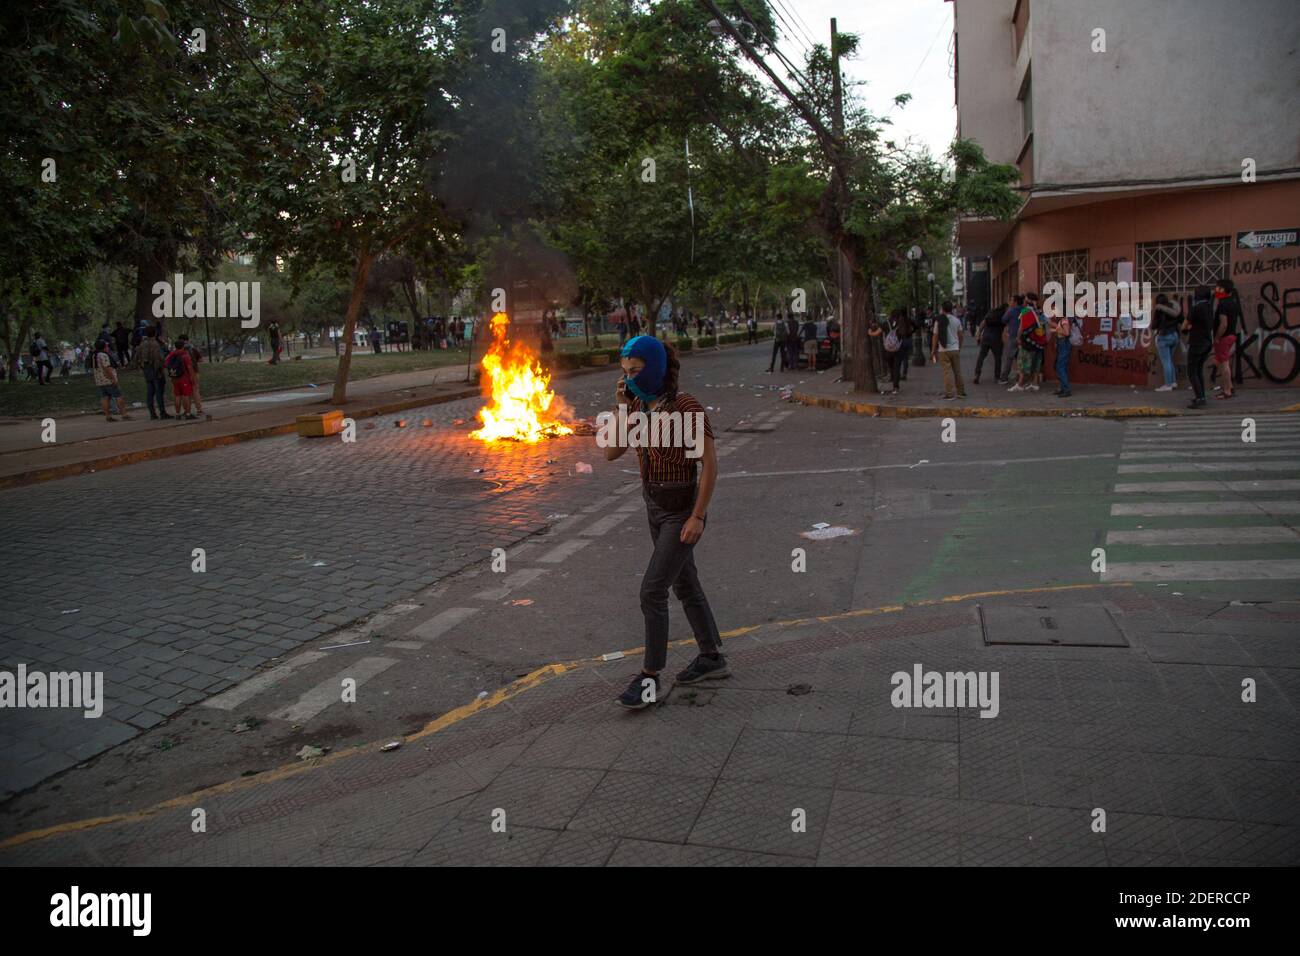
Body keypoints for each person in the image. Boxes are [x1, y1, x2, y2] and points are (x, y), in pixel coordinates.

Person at [604, 335, 726, 709]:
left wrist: (698, 516)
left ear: (655, 368)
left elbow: (710, 464)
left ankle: (650, 677)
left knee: (652, 591)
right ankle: (711, 657)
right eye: (625, 373)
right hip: (653, 507)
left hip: (680, 510)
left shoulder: (685, 406)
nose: (630, 379)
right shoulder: (638, 405)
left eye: (636, 371)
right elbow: (610, 452)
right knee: (685, 584)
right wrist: (623, 408)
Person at [1008, 293, 1046, 391]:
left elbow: (1021, 327)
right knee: (1036, 362)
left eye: (1025, 299)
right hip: (1039, 341)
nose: (1023, 301)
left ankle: (1020, 384)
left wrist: (1018, 337)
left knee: (1022, 362)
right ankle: (1035, 383)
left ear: (1027, 300)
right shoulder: (1039, 311)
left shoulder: (1025, 311)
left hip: (1028, 341)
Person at [1185, 285, 1215, 409]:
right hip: (1207, 342)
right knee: (1198, 370)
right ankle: (1201, 396)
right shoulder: (1209, 307)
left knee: (1192, 371)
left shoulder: (1197, 308)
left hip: (1197, 343)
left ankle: (1200, 397)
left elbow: (1187, 323)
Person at [1212, 277, 1241, 399]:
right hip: (1231, 335)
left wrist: (1217, 337)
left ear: (1223, 289)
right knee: (1220, 362)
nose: (1216, 290)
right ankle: (1229, 387)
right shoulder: (1233, 302)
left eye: (1218, 288)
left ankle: (1227, 391)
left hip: (1224, 337)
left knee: (1224, 364)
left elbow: (1223, 324)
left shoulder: (1223, 304)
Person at [930, 301, 966, 399]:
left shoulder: (939, 320)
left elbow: (935, 335)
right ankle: (961, 392)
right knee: (957, 371)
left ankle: (949, 393)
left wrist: (933, 349)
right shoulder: (957, 320)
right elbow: (961, 335)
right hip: (955, 348)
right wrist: (959, 346)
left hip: (943, 349)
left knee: (947, 372)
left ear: (942, 309)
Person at [136, 326, 172, 420]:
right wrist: (160, 370)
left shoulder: (142, 344)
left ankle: (152, 413)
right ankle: (162, 412)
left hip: (147, 369)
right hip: (155, 369)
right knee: (159, 392)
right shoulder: (155, 344)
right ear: (155, 333)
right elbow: (158, 359)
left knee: (150, 392)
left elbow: (138, 357)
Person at [92, 339, 132, 421]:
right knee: (118, 396)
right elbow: (107, 368)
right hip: (108, 380)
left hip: (100, 380)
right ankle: (124, 414)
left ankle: (108, 416)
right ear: (104, 347)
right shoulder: (103, 355)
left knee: (105, 398)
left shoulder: (94, 356)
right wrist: (113, 378)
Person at [869, 309, 906, 394]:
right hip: (898, 349)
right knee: (897, 367)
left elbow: (877, 333)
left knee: (891, 366)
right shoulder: (901, 324)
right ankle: (895, 386)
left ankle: (893, 378)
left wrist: (870, 332)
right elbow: (905, 334)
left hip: (888, 350)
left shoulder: (886, 323)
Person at [1152, 293, 1182, 391]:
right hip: (1174, 336)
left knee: (1166, 361)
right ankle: (1173, 382)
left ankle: (1168, 384)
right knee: (1170, 360)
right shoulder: (1174, 308)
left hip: (1164, 336)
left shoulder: (1159, 310)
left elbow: (1154, 324)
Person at [164, 335, 198, 419]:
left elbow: (165, 364)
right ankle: (188, 413)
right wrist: (193, 379)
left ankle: (177, 414)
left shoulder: (171, 355)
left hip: (174, 378)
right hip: (184, 378)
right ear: (183, 346)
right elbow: (190, 368)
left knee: (177, 396)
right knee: (186, 395)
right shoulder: (185, 355)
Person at [1048, 301, 1075, 398]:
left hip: (1064, 344)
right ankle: (1063, 388)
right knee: (1060, 366)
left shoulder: (1064, 320)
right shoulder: (1061, 320)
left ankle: (1066, 389)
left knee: (1060, 367)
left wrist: (1055, 329)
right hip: (1061, 343)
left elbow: (1067, 333)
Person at [973, 303, 1005, 384]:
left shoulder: (991, 314)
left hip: (986, 337)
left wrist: (978, 334)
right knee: (998, 358)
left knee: (981, 356)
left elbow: (983, 323)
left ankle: (977, 374)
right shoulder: (1003, 316)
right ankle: (997, 377)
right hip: (996, 339)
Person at [1000, 295, 1025, 384]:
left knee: (1009, 358)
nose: (1010, 302)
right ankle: (1022, 377)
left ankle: (1004, 377)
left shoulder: (1011, 311)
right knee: (1021, 358)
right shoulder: (1024, 310)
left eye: (1011, 300)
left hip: (1013, 336)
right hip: (1023, 337)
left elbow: (1003, 320)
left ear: (1015, 302)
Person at [185, 337, 206, 416]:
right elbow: (200, 359)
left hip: (184, 375)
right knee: (195, 391)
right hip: (194, 372)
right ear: (188, 340)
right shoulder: (193, 350)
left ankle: (187, 411)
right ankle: (199, 410)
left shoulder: (179, 351)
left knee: (186, 393)